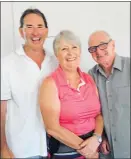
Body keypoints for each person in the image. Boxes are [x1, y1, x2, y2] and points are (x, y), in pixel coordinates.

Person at [1, 8, 58, 158]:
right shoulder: (7, 64)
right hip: (21, 149)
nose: (35, 32)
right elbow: (1, 110)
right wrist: (3, 148)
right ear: (21, 32)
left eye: (40, 27)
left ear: (46, 31)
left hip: (54, 147)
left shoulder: (55, 62)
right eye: (29, 27)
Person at [39, 30, 104, 159]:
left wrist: (96, 138)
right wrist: (87, 150)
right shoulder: (50, 84)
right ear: (57, 55)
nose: (70, 53)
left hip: (93, 146)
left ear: (80, 51)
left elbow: (98, 115)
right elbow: (52, 128)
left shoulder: (89, 79)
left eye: (74, 47)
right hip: (66, 151)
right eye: (64, 49)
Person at [88, 30, 130, 158]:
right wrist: (102, 136)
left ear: (113, 45)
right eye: (93, 49)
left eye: (103, 45)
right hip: (108, 150)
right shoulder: (91, 75)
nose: (98, 52)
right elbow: (94, 111)